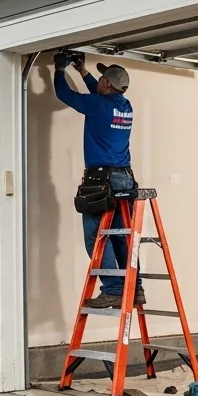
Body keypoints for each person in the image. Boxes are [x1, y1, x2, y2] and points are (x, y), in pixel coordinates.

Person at [53, 51, 143, 309]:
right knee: (121, 237)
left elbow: (64, 94)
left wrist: (60, 70)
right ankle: (135, 288)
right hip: (124, 179)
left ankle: (114, 289)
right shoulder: (125, 106)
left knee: (96, 237)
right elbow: (99, 92)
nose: (99, 80)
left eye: (101, 77)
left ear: (107, 84)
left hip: (102, 180)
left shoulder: (98, 105)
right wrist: (82, 71)